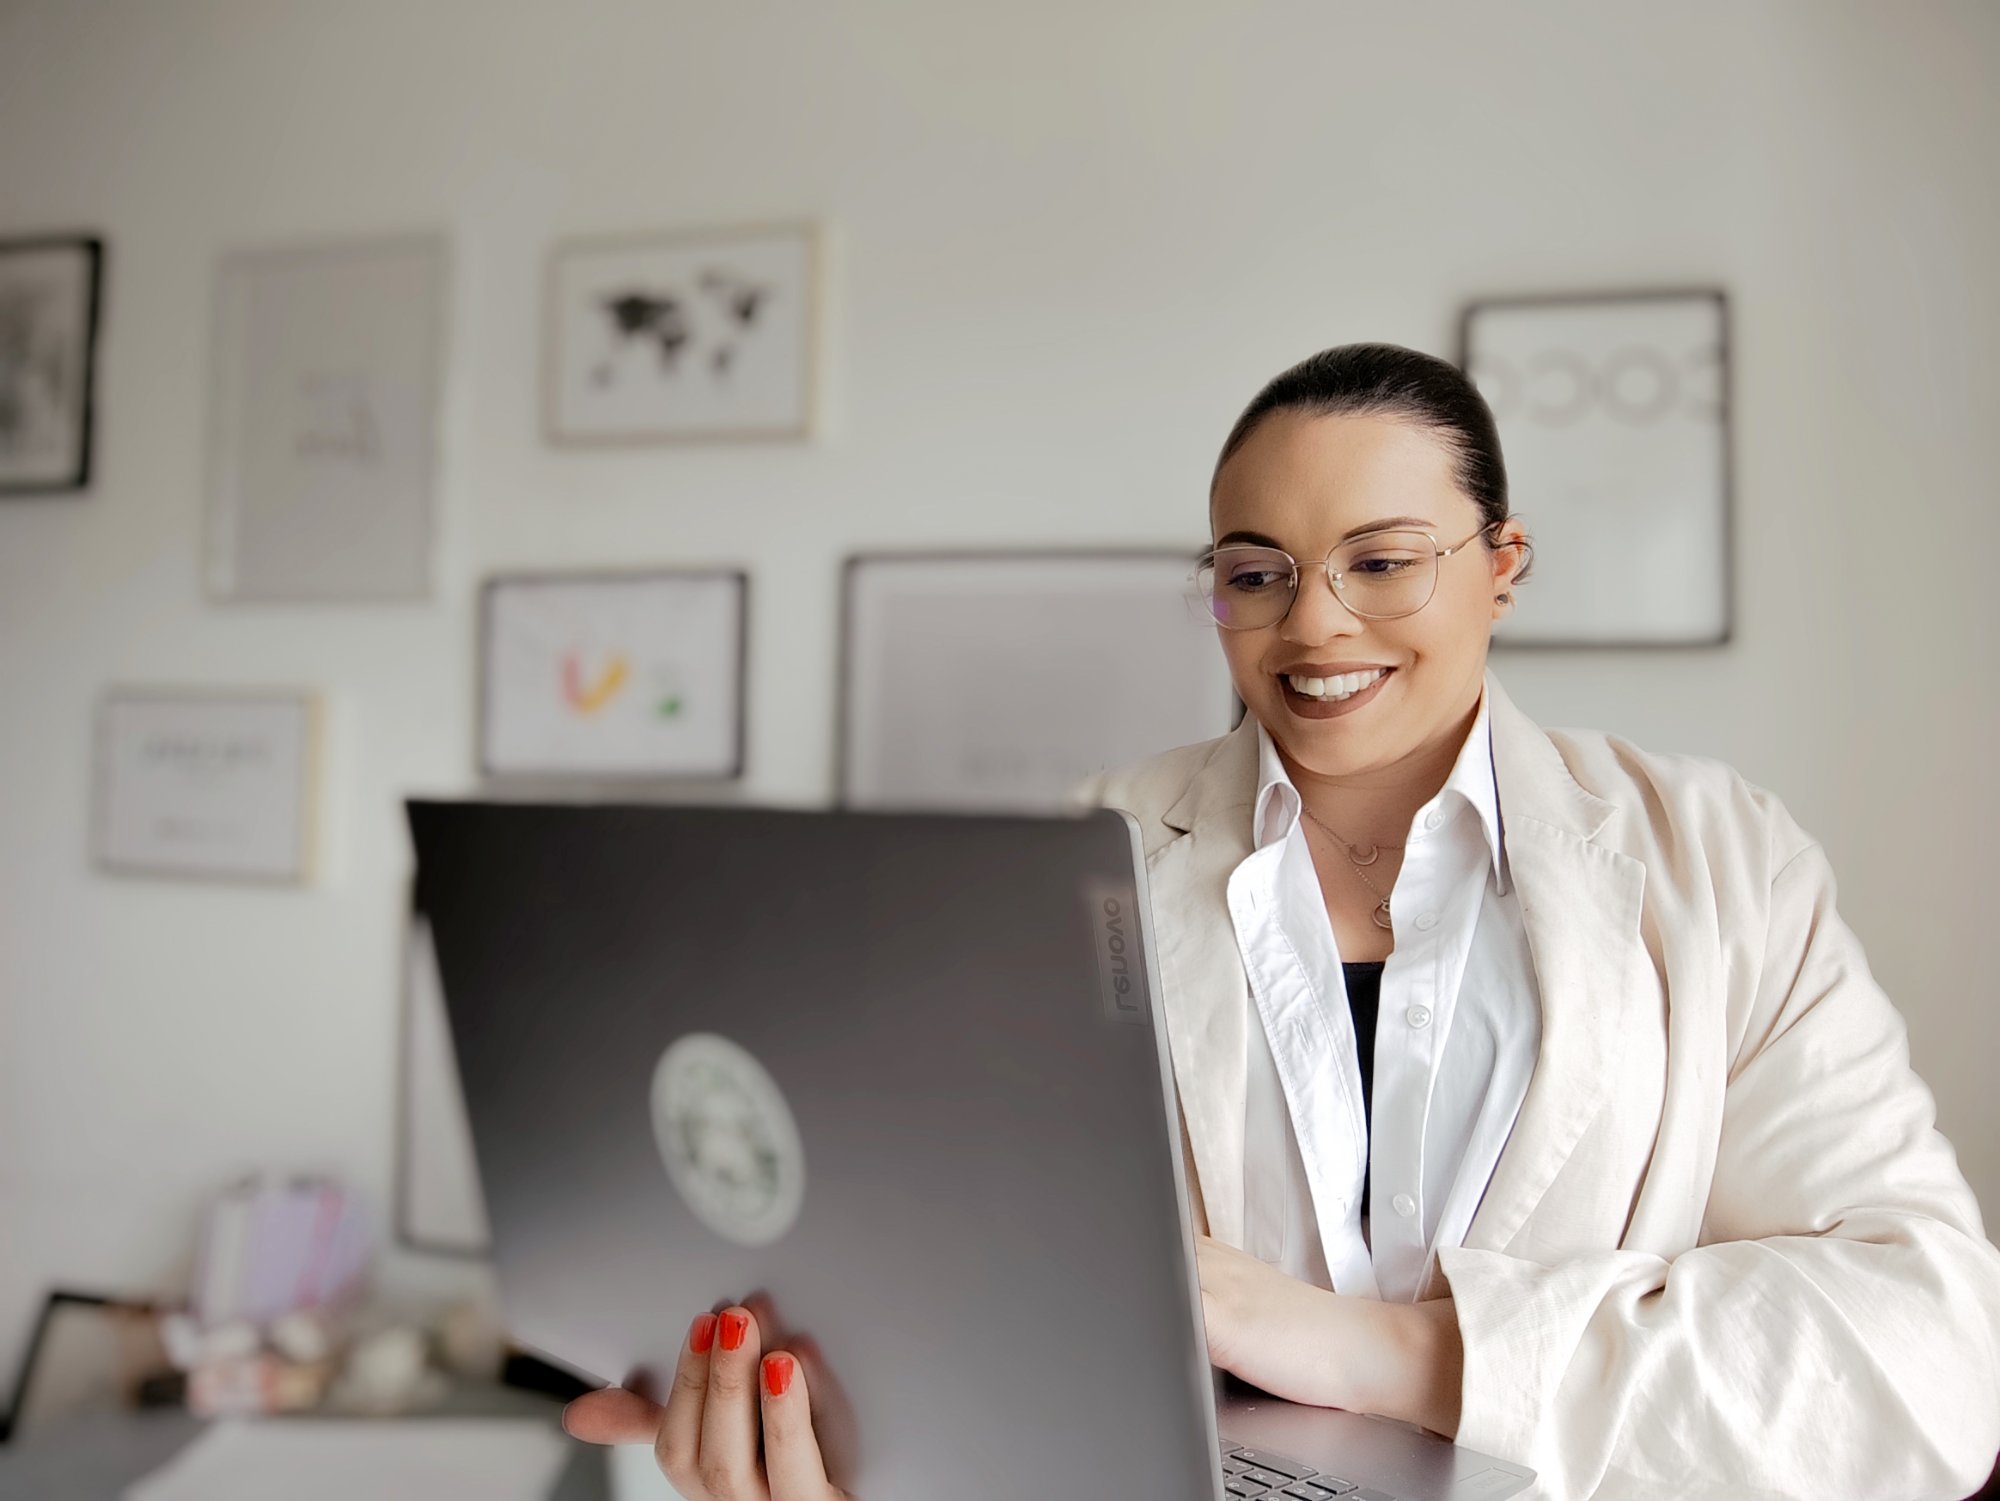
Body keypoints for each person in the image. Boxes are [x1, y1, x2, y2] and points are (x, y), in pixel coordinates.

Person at [561, 344, 2000, 1500]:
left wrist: (1391, 1355)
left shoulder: (1722, 864)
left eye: (1383, 561)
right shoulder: (1074, 860)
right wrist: (825, 1443)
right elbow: (985, 1312)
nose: (1314, 626)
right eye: (1255, 572)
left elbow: (1931, 1359)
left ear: (1504, 562)